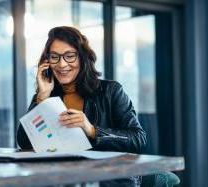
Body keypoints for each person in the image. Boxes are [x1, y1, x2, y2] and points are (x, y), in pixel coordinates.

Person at [17, 26, 146, 186]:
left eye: (69, 56)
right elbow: (24, 142)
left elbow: (138, 139)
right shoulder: (47, 94)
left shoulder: (110, 91)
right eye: (54, 57)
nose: (62, 64)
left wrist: (92, 130)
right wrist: (41, 97)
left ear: (82, 58)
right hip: (62, 179)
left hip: (106, 179)